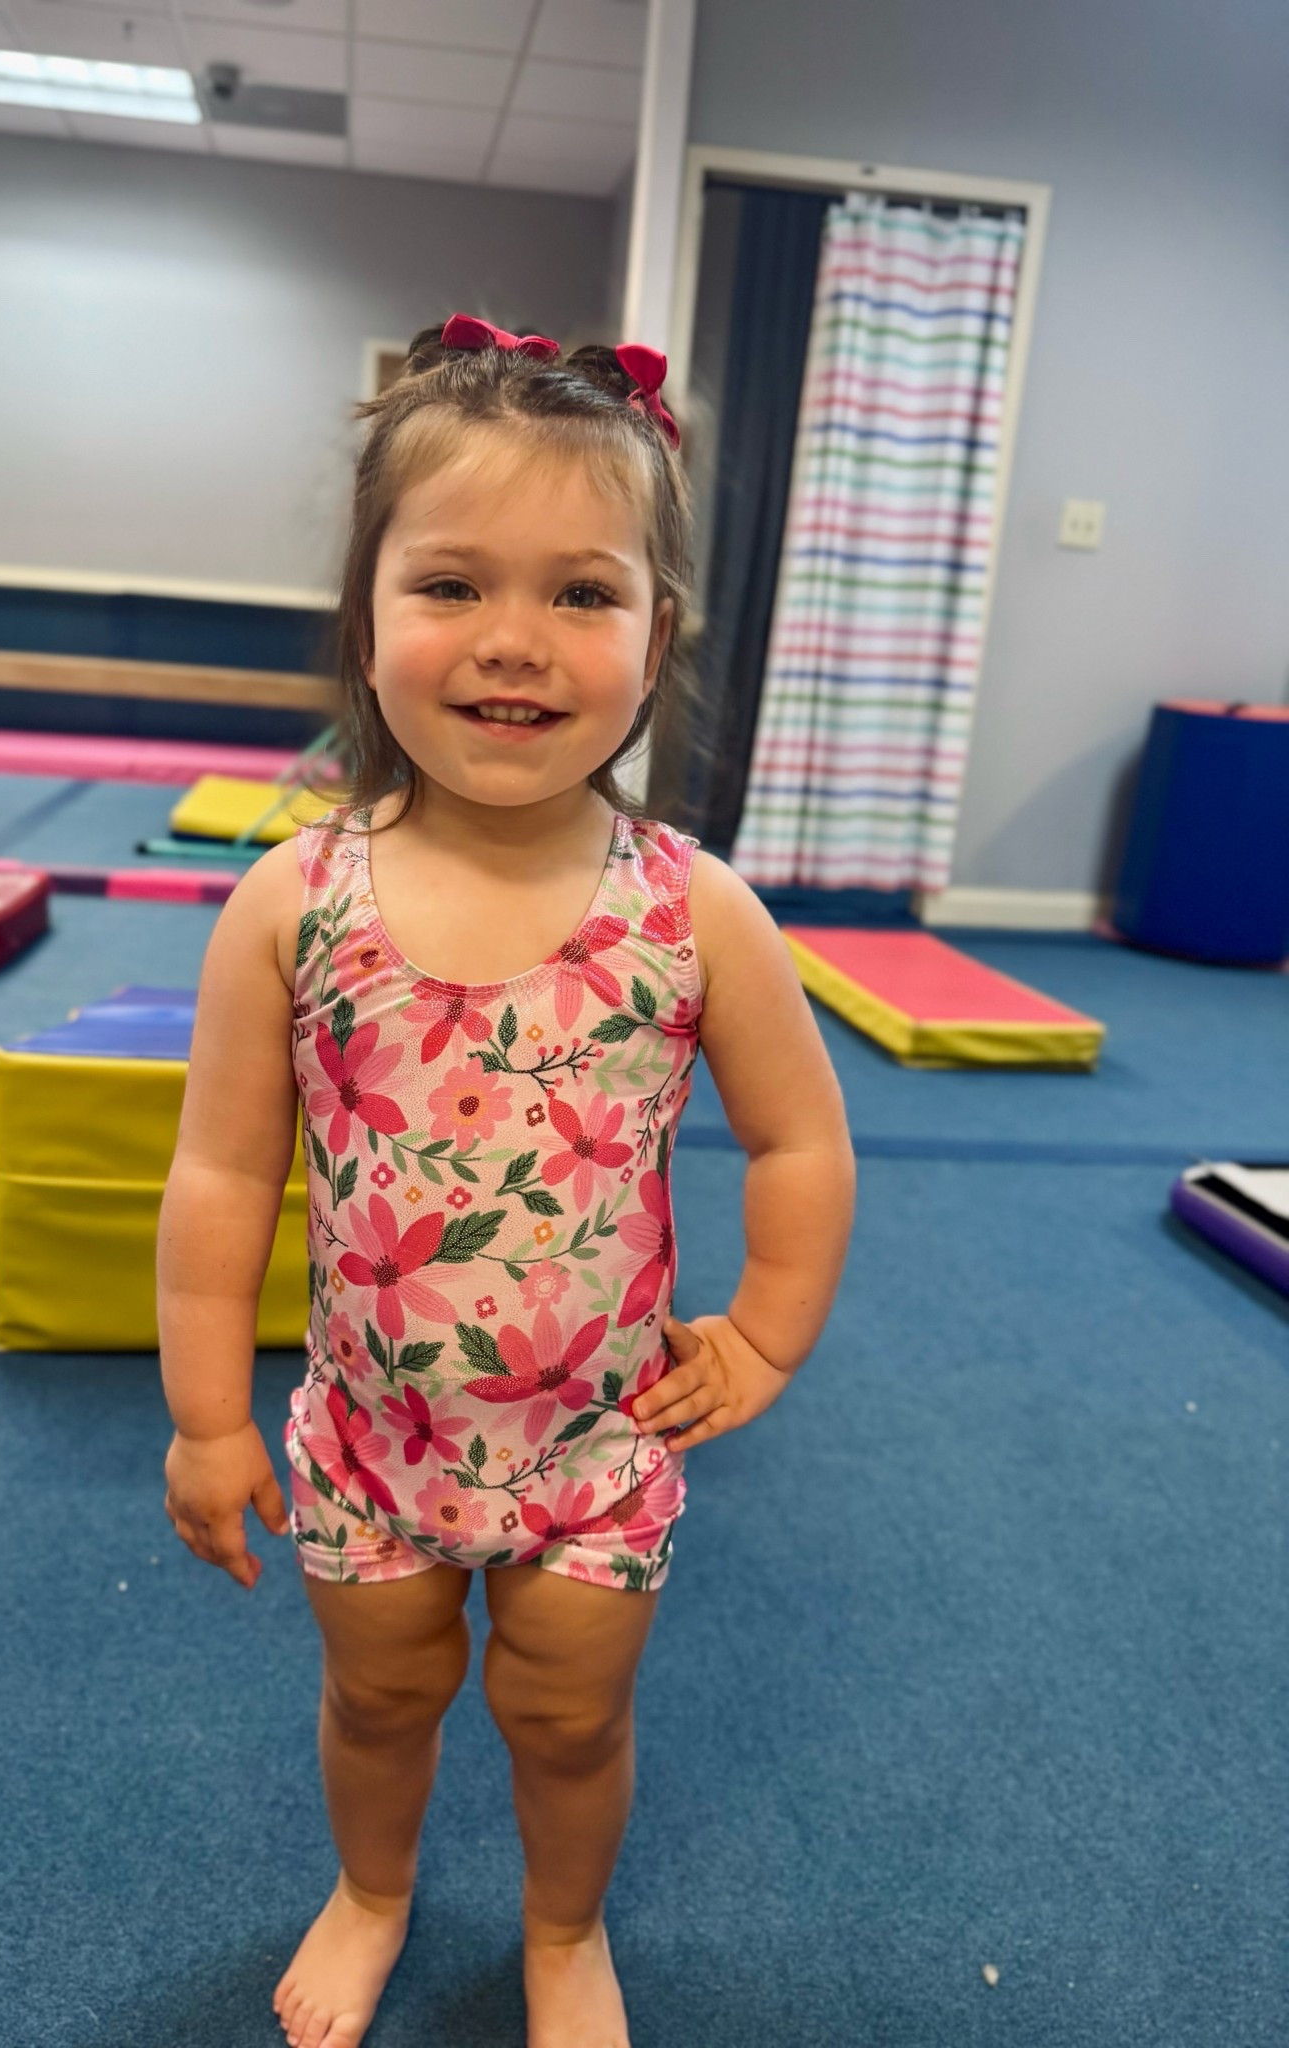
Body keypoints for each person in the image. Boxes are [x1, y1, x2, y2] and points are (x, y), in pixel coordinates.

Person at [157, 314, 855, 2048]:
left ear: (657, 632)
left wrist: (765, 1338)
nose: (515, 645)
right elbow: (223, 1171)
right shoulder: (290, 903)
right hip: (371, 1438)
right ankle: (377, 1890)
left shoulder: (693, 909)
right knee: (379, 1696)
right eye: (454, 586)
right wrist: (202, 1413)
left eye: (584, 595)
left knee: (568, 1717)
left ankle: (562, 1930)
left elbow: (803, 1137)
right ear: (369, 616)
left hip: (595, 1448)